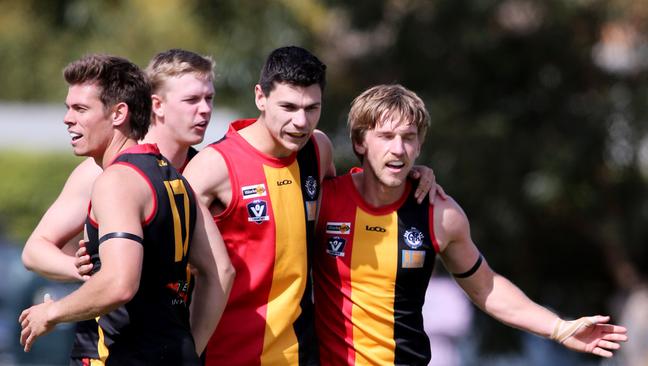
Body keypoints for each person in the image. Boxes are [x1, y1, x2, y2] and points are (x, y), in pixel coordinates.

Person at [312, 84, 628, 365]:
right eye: (386, 137)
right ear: (359, 143)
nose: (398, 149)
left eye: (408, 138)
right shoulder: (323, 199)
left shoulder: (440, 215)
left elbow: (486, 288)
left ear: (419, 146)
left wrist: (559, 328)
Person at [183, 46, 440, 366]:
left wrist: (409, 175)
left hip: (301, 355)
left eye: (311, 108)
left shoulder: (317, 150)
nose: (300, 121)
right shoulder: (213, 167)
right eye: (288, 107)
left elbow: (353, 197)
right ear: (260, 97)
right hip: (227, 355)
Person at [18, 54, 232, 365]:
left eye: (80, 109)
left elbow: (119, 284)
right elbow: (220, 271)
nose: (67, 119)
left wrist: (51, 313)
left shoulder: (117, 180)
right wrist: (188, 350)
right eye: (69, 108)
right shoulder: (176, 177)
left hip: (118, 354)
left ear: (119, 113)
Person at [21, 48, 222, 282]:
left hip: (180, 317)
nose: (206, 109)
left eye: (209, 98)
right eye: (192, 100)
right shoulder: (101, 172)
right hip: (119, 315)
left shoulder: (210, 170)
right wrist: (91, 273)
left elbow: (221, 271)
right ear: (156, 104)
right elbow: (35, 250)